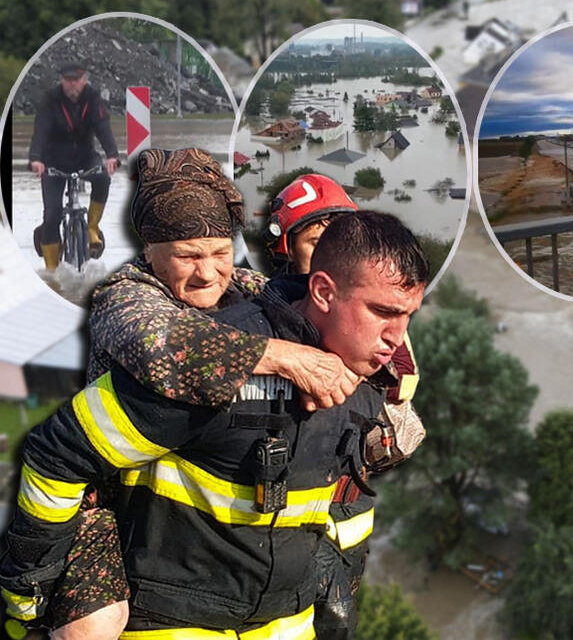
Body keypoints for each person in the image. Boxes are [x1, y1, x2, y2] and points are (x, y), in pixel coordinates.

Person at [0, 207, 429, 637]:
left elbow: (347, 501)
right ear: (322, 291)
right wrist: (26, 595)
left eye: (407, 315)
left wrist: (336, 602)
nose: (396, 336)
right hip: (174, 619)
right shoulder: (210, 360)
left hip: (286, 620)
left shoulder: (373, 375)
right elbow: (58, 455)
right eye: (382, 311)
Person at [264, 174, 425, 637]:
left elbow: (398, 414)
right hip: (282, 529)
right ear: (287, 249)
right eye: (317, 241)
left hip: (343, 522)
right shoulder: (262, 315)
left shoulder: (382, 331)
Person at [29, 62, 120, 269]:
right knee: (52, 214)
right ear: (61, 81)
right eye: (67, 80)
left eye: (76, 80)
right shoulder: (50, 99)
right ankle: (52, 271)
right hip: (54, 160)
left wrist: (112, 155)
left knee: (103, 177)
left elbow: (102, 127)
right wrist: (36, 159)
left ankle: (92, 228)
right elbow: (41, 130)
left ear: (84, 80)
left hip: (85, 156)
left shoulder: (93, 98)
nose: (72, 85)